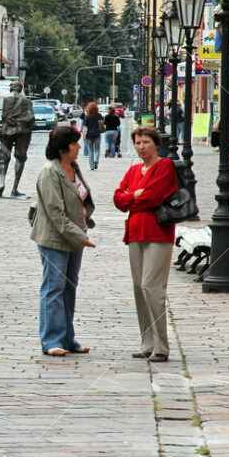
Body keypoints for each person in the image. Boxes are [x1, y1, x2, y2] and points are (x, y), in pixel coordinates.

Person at [113, 127, 178, 363]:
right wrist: (133, 196)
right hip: (135, 233)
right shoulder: (132, 170)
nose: (141, 146)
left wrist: (132, 197)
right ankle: (147, 342)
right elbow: (118, 199)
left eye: (146, 142)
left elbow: (154, 196)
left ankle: (161, 345)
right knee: (139, 288)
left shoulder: (165, 166)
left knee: (152, 287)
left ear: (156, 144)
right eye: (138, 142)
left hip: (158, 233)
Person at [32, 126, 96, 357]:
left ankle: (68, 338)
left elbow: (81, 197)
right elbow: (55, 212)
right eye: (75, 143)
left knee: (69, 288)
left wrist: (85, 219)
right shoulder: (50, 172)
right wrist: (81, 236)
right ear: (64, 148)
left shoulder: (73, 167)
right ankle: (51, 340)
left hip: (75, 237)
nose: (79, 147)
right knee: (53, 288)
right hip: (54, 239)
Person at [0, 82, 34, 198]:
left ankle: (2, 182)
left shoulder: (6, 100)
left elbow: (4, 116)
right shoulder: (27, 101)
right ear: (21, 89)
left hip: (7, 131)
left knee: (3, 157)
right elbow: (31, 118)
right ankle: (14, 189)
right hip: (22, 132)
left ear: (12, 89)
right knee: (20, 157)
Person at [80, 102, 103, 170]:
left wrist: (83, 136)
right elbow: (101, 125)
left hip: (88, 136)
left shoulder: (87, 116)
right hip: (97, 134)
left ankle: (92, 166)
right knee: (97, 149)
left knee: (90, 151)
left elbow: (84, 127)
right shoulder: (99, 115)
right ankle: (96, 161)